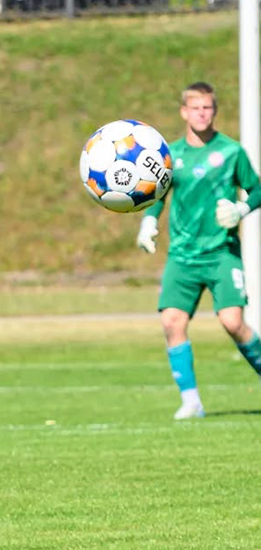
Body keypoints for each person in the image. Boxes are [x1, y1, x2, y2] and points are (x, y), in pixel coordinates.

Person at [136, 81, 261, 420]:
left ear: (214, 111)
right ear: (184, 112)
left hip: (221, 252)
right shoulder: (169, 155)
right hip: (182, 255)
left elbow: (257, 189)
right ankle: (191, 401)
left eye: (207, 107)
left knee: (233, 322)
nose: (201, 113)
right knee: (171, 321)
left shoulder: (231, 151)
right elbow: (157, 194)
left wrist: (241, 209)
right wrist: (148, 222)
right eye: (195, 108)